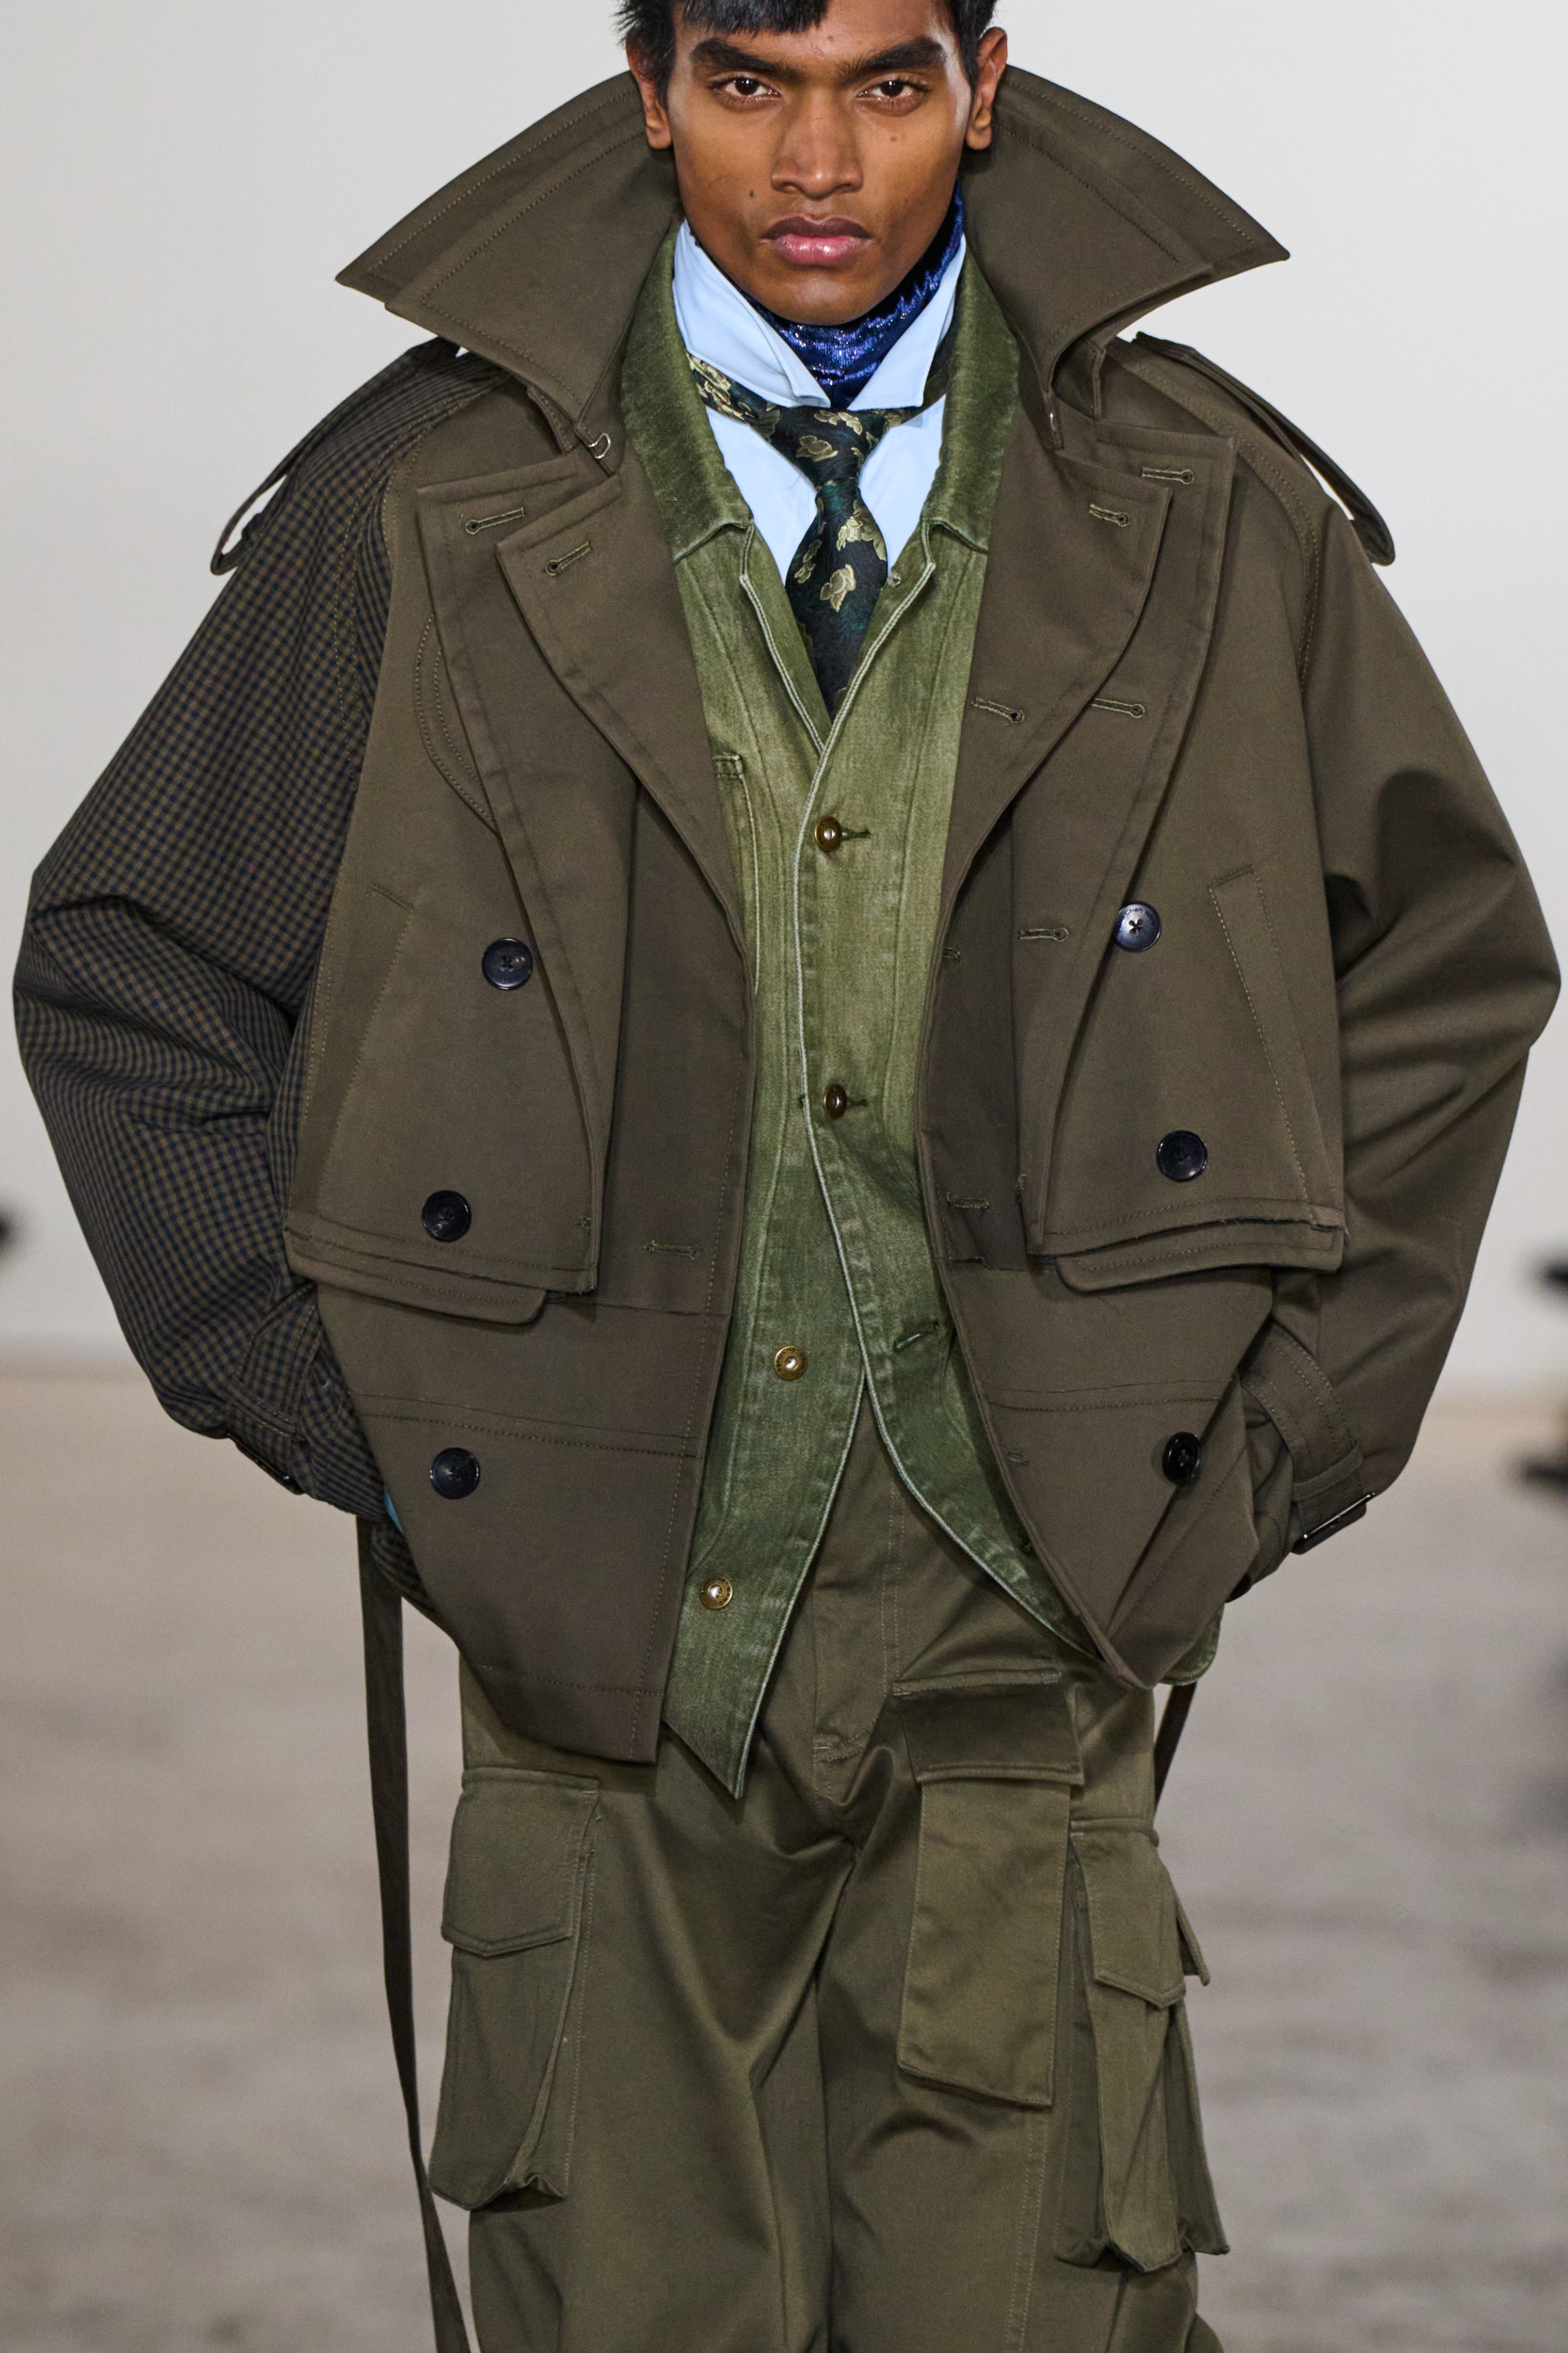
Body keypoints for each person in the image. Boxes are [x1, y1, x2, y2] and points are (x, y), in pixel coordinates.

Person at [14, 3, 1558, 2346]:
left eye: (882, 83)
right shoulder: (420, 503)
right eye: (746, 80)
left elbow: (1441, 964)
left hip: (1028, 1597)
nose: (815, 160)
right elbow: (137, 959)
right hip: (596, 1620)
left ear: (984, 83)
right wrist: (368, 1421)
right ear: (646, 90)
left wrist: (1273, 1441)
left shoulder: (1204, 502)